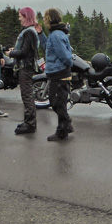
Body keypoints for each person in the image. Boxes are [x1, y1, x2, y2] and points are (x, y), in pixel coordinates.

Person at [8, 7, 46, 134]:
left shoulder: (29, 32)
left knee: (27, 95)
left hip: (25, 66)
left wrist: (11, 53)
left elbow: (25, 52)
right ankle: (28, 122)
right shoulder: (30, 31)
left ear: (26, 16)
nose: (19, 18)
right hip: (26, 66)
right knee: (26, 94)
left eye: (21, 16)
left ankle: (30, 124)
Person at [43, 8, 74, 141]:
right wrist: (40, 34)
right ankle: (66, 125)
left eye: (45, 18)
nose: (43, 20)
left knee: (56, 102)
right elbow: (49, 47)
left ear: (49, 19)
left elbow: (64, 54)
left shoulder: (55, 34)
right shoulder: (56, 33)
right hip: (58, 71)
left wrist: (68, 64)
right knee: (58, 101)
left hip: (59, 72)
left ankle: (63, 130)